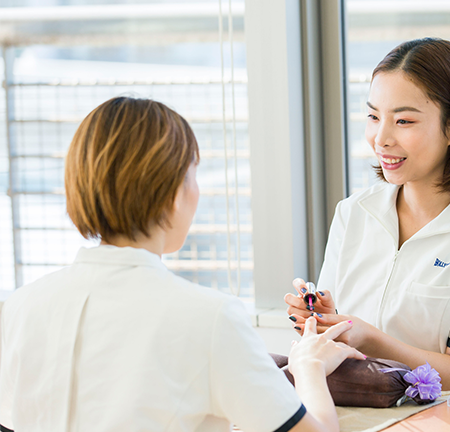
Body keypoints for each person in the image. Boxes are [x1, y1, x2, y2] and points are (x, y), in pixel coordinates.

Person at [0, 97, 363, 432]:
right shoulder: (209, 317)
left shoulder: (18, 307)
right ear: (173, 193)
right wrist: (308, 367)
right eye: (192, 175)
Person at [285, 38, 450, 389]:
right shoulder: (353, 213)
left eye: (403, 121)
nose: (380, 138)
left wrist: (369, 338)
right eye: (373, 116)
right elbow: (336, 335)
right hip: (348, 414)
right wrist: (322, 317)